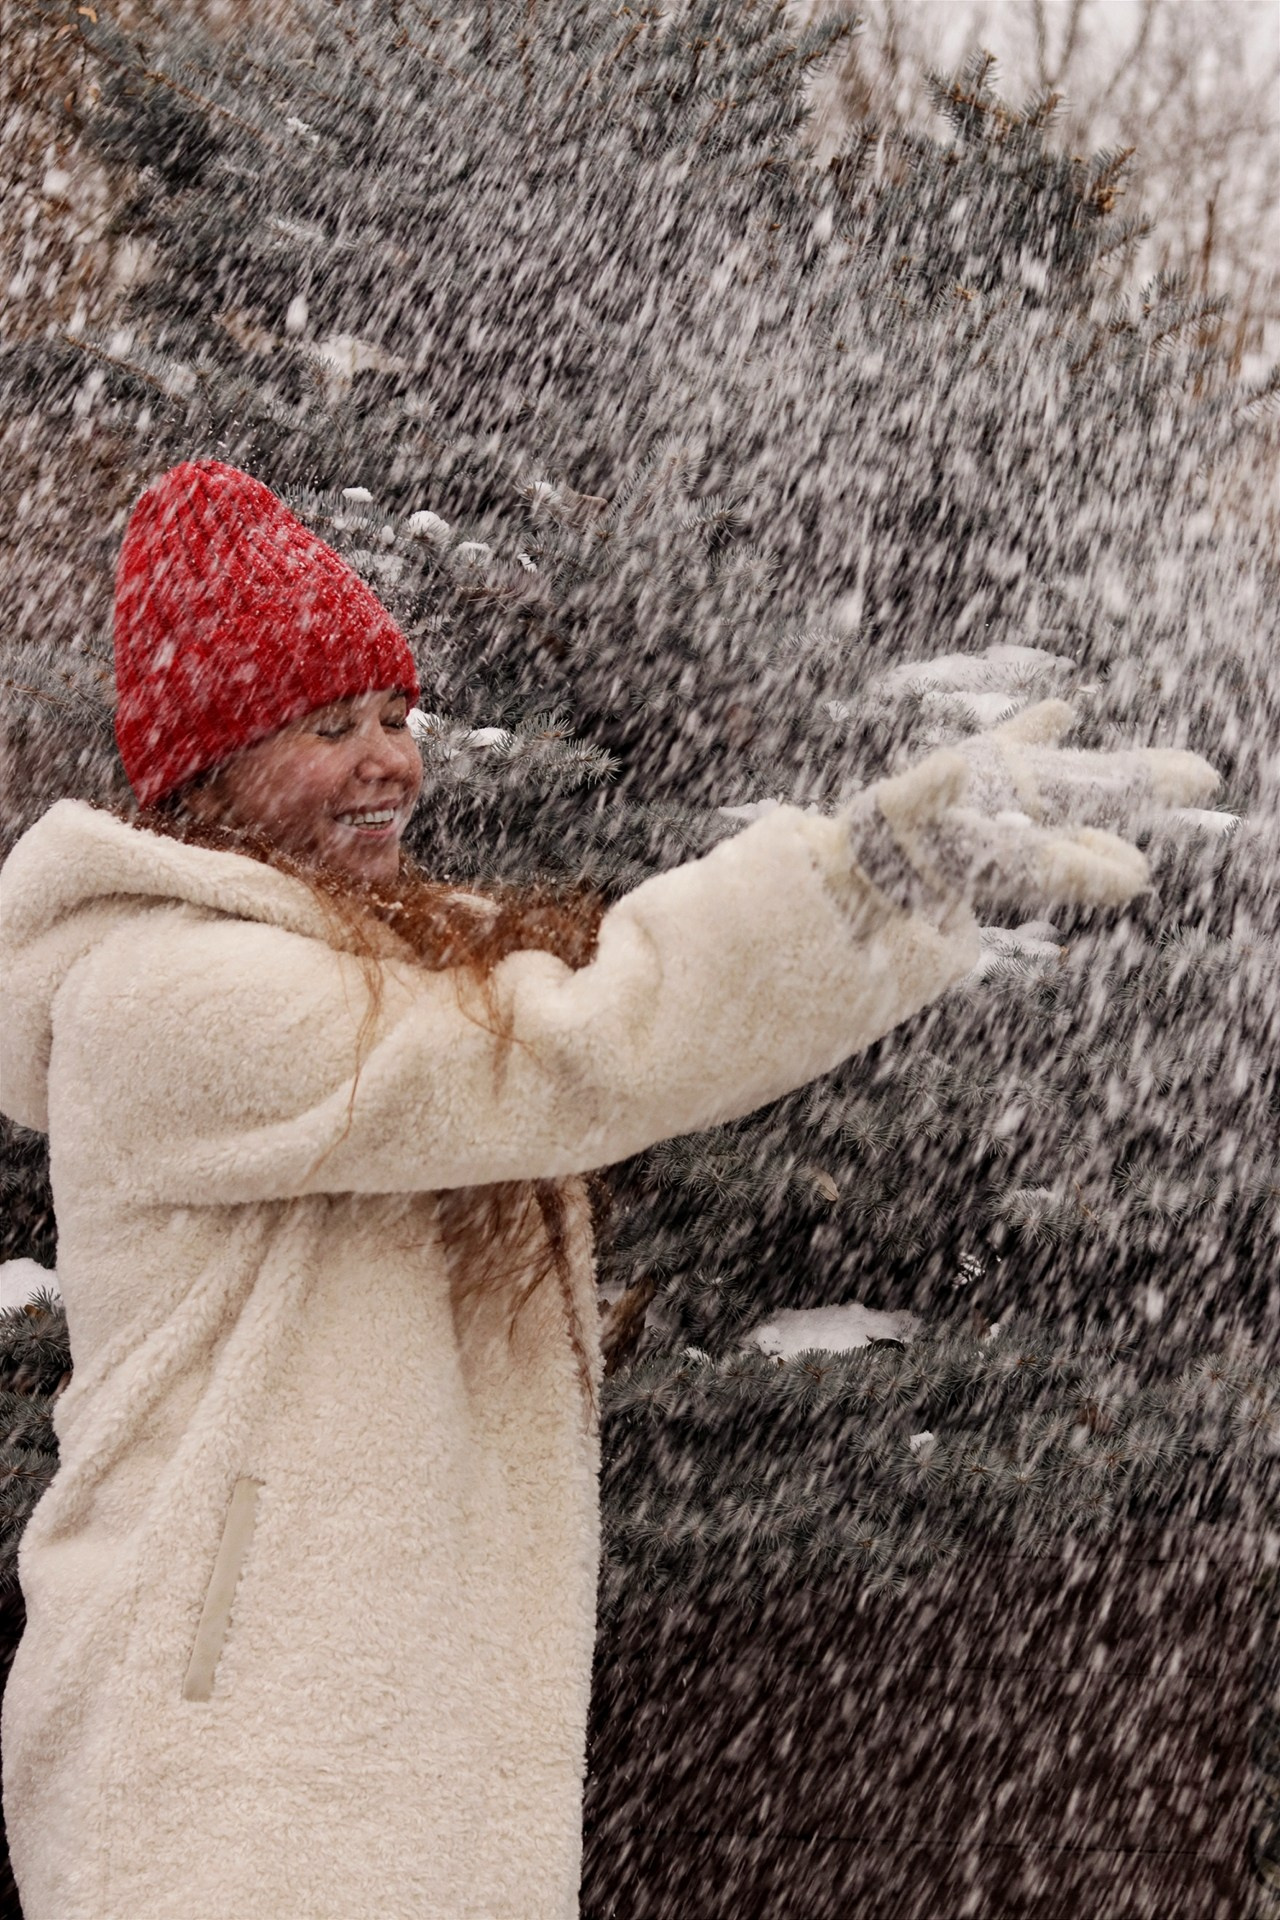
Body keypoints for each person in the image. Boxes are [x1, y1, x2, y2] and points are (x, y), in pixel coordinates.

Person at [0, 460, 1218, 1920]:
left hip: (371, 1720)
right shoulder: (167, 994)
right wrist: (871, 870)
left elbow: (587, 1001)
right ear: (207, 774)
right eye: (331, 727)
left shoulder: (387, 952)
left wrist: (899, 881)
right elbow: (580, 1050)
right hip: (222, 1747)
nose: (392, 758)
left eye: (399, 716)